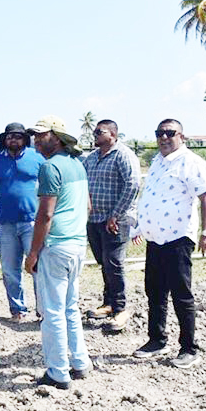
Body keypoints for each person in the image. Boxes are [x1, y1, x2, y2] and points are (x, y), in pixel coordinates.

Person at [132, 119, 206, 369]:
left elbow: (205, 196)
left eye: (170, 133)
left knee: (181, 294)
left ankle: (189, 347)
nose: (164, 138)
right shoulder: (157, 162)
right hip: (155, 239)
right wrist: (140, 226)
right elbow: (151, 197)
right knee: (154, 292)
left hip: (177, 238)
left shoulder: (192, 162)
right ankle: (157, 340)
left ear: (182, 136)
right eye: (159, 133)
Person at [24, 115, 92, 390]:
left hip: (56, 246)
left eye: (42, 135)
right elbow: (87, 205)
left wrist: (33, 253)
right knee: (69, 307)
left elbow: (45, 214)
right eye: (36, 135)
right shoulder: (77, 164)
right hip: (76, 244)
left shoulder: (50, 168)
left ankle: (58, 372)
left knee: (51, 311)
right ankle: (80, 362)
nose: (37, 140)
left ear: (57, 136)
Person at [0, 122, 46, 321]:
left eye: (18, 136)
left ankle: (43, 311)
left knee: (37, 268)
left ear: (25, 139)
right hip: (5, 225)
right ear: (5, 139)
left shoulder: (37, 158)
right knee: (10, 271)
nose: (14, 139)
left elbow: (50, 190)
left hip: (32, 224)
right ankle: (17, 310)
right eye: (10, 136)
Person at [83, 120, 141, 332]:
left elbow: (132, 185)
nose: (96, 134)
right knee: (104, 262)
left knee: (114, 263)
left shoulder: (123, 155)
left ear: (113, 134)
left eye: (100, 131)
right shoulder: (91, 158)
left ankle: (120, 309)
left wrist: (115, 215)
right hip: (94, 219)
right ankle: (108, 303)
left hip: (117, 220)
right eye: (95, 131)